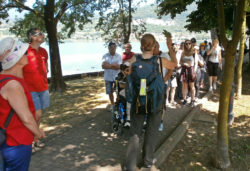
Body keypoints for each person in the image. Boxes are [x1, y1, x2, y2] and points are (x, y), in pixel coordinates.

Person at [124, 34, 177, 170]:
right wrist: (170, 46)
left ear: (141, 45)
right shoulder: (160, 61)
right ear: (154, 46)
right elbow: (175, 65)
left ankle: (130, 165)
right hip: (155, 100)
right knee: (152, 131)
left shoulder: (134, 59)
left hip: (138, 100)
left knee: (135, 131)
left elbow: (128, 75)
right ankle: (147, 162)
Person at [0, 37, 45, 171]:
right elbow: (26, 118)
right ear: (16, 59)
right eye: (24, 53)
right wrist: (38, 133)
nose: (28, 54)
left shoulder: (6, 79)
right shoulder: (13, 85)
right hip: (16, 142)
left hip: (8, 141)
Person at [23, 28, 50, 136]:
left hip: (43, 87)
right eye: (41, 33)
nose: (43, 35)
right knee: (37, 114)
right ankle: (32, 137)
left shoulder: (43, 51)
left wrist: (46, 71)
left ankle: (34, 136)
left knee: (40, 114)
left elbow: (46, 63)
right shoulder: (24, 50)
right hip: (30, 88)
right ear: (33, 37)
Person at [102, 42, 122, 112]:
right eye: (111, 47)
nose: (113, 49)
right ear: (109, 48)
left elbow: (118, 67)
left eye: (114, 47)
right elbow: (103, 66)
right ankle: (113, 105)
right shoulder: (105, 56)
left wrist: (109, 65)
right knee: (110, 92)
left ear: (116, 48)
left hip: (117, 77)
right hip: (108, 78)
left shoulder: (119, 56)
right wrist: (113, 65)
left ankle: (118, 104)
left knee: (118, 92)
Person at [180, 39, 198, 107]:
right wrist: (184, 63)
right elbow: (180, 62)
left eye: (189, 43)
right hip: (184, 69)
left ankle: (192, 100)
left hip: (191, 69)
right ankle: (184, 100)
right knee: (184, 86)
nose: (188, 45)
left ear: (191, 44)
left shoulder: (194, 52)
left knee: (192, 86)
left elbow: (196, 63)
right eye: (186, 44)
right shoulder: (183, 52)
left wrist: (194, 72)